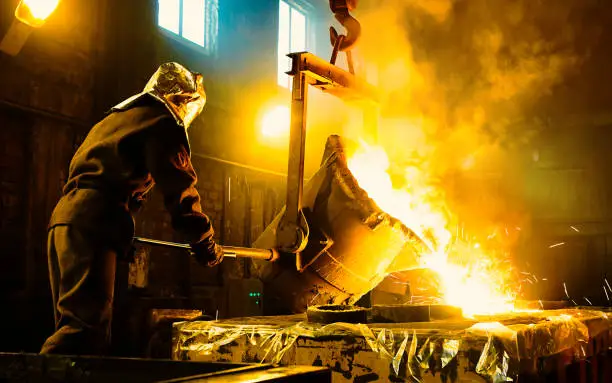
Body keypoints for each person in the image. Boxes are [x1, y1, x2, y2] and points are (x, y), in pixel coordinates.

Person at [40, 62, 223, 355]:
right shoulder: (162, 122)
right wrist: (204, 241)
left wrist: (127, 215)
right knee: (82, 333)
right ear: (181, 99)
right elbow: (179, 188)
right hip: (94, 222)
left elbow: (109, 172)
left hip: (65, 220)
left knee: (74, 327)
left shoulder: (114, 121)